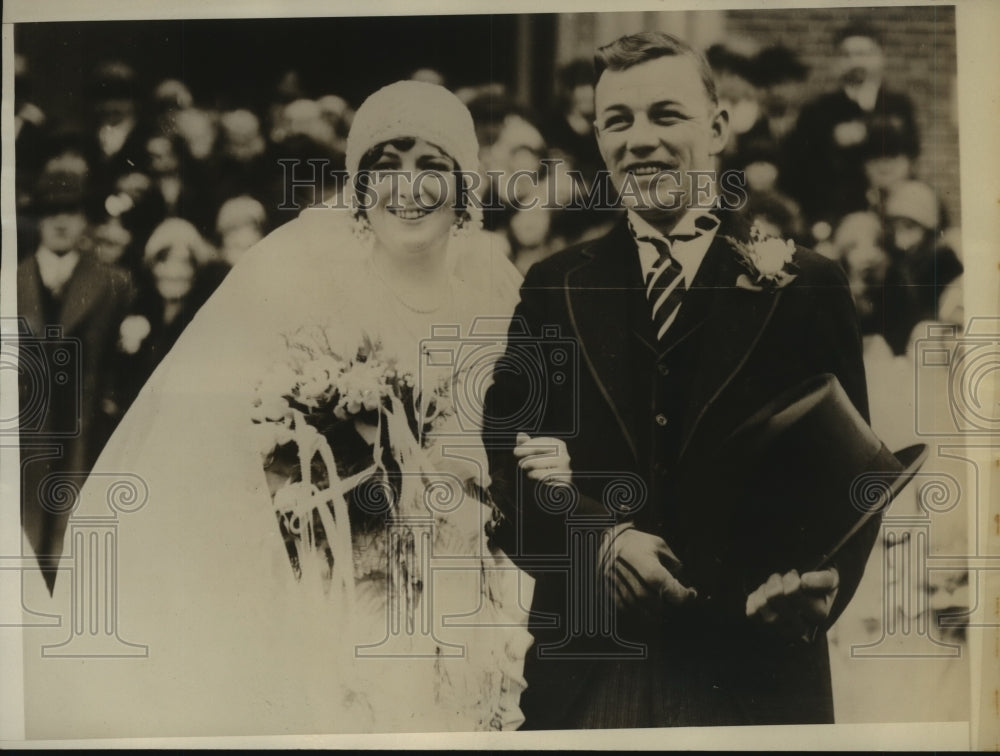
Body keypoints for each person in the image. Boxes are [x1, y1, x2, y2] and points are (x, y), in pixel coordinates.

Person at [24, 81, 534, 737]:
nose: (408, 186)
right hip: (336, 595)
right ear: (357, 183)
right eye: (385, 164)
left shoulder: (498, 288)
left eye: (432, 165)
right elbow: (221, 452)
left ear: (465, 183)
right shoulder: (303, 279)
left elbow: (528, 443)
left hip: (471, 590)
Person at [484, 31, 878, 729]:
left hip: (753, 674)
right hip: (591, 669)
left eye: (666, 115)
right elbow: (508, 456)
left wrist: (821, 583)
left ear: (718, 126)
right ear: (598, 136)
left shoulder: (806, 284)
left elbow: (853, 476)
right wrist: (596, 542)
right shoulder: (556, 287)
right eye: (618, 120)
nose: (641, 140)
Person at [17, 164, 134, 592]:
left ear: (86, 219)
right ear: (38, 219)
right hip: (24, 430)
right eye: (51, 212)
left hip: (86, 427)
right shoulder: (11, 281)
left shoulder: (115, 283)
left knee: (75, 541)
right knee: (25, 533)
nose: (62, 222)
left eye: (72, 211)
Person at [784, 23, 919, 241]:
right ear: (836, 62)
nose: (855, 62)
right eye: (847, 55)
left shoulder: (898, 106)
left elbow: (910, 154)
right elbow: (802, 169)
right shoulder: (817, 111)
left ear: (880, 57)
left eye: (863, 54)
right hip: (834, 217)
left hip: (891, 214)